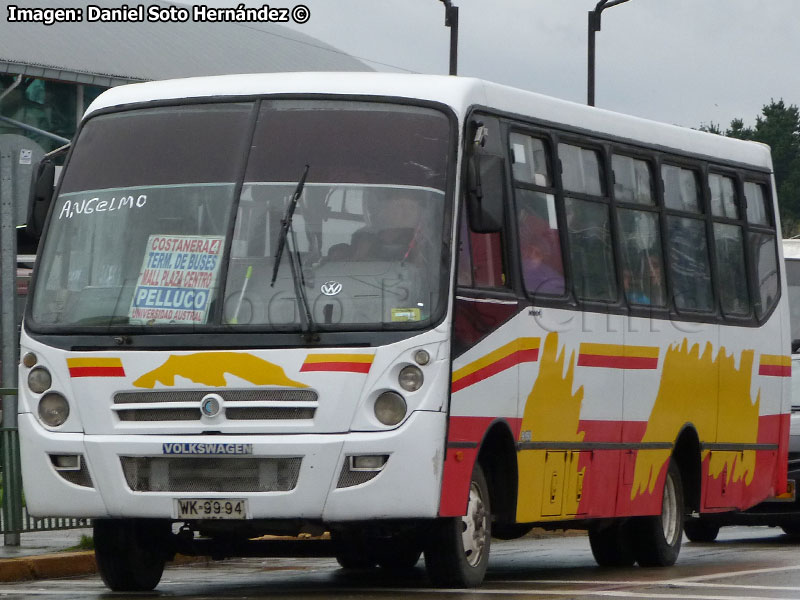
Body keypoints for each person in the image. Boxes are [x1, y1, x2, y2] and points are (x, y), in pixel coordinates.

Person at [518, 210, 565, 295]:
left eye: (536, 253)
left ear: (543, 257)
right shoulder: (516, 270)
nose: (530, 255)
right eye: (528, 250)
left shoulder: (552, 283)